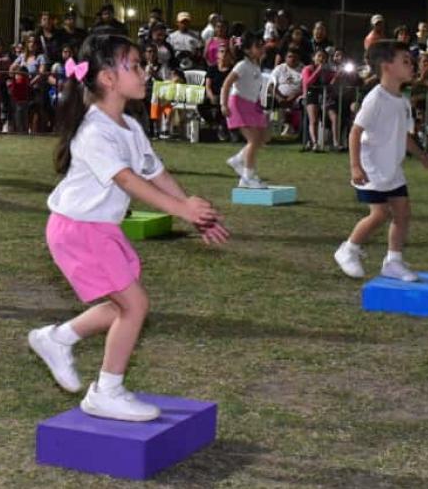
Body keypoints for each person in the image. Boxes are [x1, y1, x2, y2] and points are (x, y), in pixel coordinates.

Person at [27, 34, 228, 422]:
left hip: (98, 228)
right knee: (134, 304)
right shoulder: (95, 131)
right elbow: (128, 182)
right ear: (107, 79)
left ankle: (56, 338)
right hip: (78, 228)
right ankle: (107, 391)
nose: (144, 71)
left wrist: (192, 208)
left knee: (123, 303)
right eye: (133, 65)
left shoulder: (130, 127)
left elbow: (155, 173)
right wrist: (182, 210)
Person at [333, 41, 428, 282]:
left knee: (403, 212)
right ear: (387, 67)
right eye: (405, 61)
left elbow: (403, 134)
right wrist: (355, 166)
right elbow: (355, 132)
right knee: (379, 214)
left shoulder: (402, 100)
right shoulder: (375, 98)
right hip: (372, 168)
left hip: (392, 168)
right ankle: (348, 249)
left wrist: (420, 154)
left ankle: (393, 261)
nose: (412, 65)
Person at [220, 32, 271, 189]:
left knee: (264, 137)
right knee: (253, 140)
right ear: (248, 50)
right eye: (258, 46)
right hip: (238, 104)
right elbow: (226, 84)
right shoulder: (241, 65)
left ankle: (238, 159)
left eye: (262, 44)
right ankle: (248, 176)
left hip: (252, 105)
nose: (262, 47)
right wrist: (223, 104)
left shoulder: (256, 65)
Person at [302, 49, 338, 152]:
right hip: (310, 93)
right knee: (314, 119)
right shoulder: (307, 69)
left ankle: (335, 142)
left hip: (324, 95)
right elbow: (308, 83)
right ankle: (315, 142)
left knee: (333, 116)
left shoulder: (327, 71)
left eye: (323, 57)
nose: (321, 59)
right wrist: (317, 71)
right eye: (319, 56)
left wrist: (336, 76)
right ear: (314, 58)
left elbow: (331, 83)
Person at [271, 50, 304, 136]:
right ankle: (286, 126)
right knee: (278, 103)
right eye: (290, 57)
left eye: (295, 57)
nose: (292, 59)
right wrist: (279, 97)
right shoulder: (279, 68)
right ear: (285, 58)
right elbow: (271, 85)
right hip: (280, 97)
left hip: (298, 96)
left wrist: (295, 95)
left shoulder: (303, 69)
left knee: (303, 102)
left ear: (299, 58)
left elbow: (306, 86)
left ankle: (298, 130)